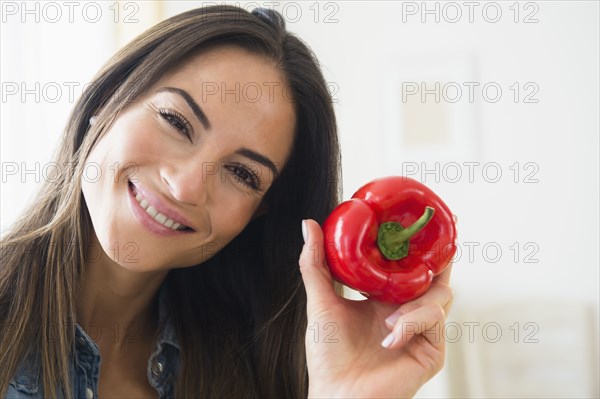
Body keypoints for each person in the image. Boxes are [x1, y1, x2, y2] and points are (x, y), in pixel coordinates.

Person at [0, 5, 453, 398]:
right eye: (176, 122)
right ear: (107, 99)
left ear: (259, 213)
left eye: (242, 174)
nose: (186, 186)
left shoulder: (257, 374)